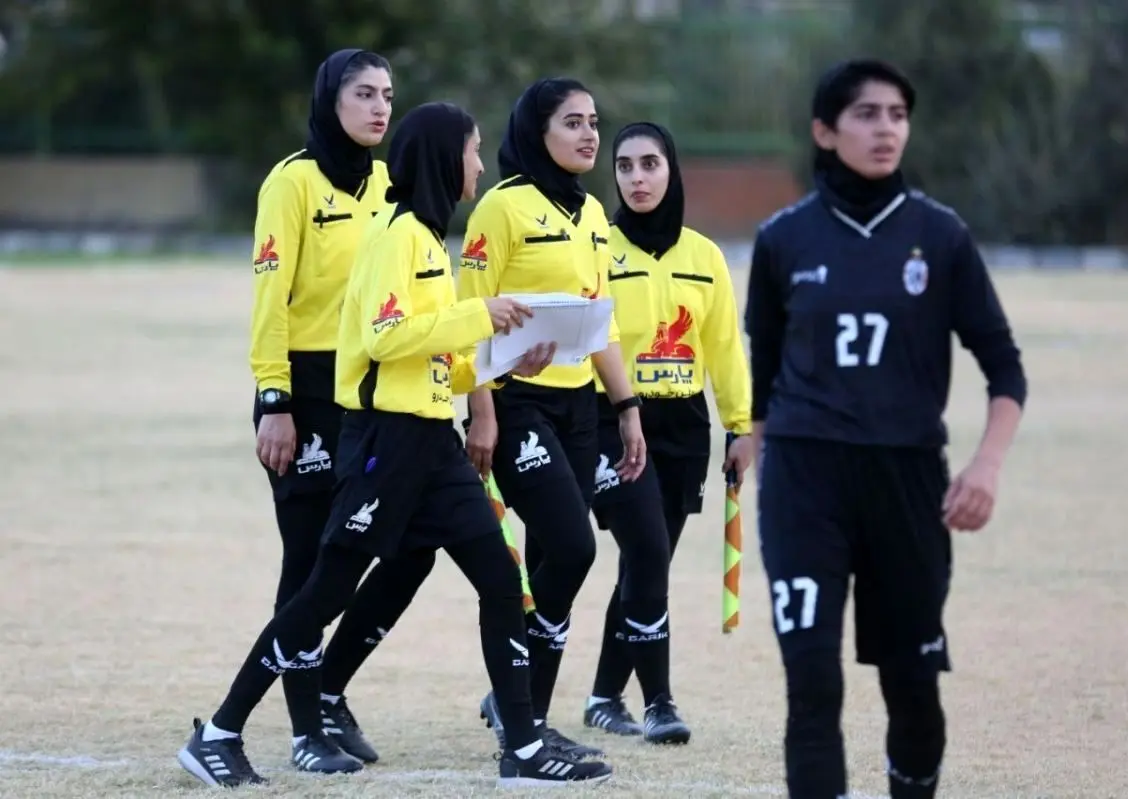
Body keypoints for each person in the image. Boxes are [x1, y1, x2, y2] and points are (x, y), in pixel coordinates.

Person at [178, 101, 614, 789]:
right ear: (443, 159)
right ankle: (220, 733)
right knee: (323, 592)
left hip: (435, 445)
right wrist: (478, 314)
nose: (479, 165)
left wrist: (504, 364)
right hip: (385, 443)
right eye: (471, 151)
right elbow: (385, 340)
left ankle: (524, 750)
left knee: (503, 582)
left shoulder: (429, 238)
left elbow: (433, 358)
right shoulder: (398, 235)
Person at [744, 59, 1028, 799]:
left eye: (898, 114)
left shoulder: (941, 235)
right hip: (806, 482)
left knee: (913, 688)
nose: (887, 129)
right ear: (825, 131)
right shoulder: (783, 239)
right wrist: (762, 463)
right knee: (812, 682)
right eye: (867, 114)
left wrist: (986, 467)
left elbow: (1005, 369)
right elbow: (762, 379)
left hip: (907, 482)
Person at [456, 77, 648, 760]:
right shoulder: (501, 208)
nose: (590, 134)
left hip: (579, 409)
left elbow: (601, 324)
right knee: (573, 549)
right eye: (573, 122)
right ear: (538, 132)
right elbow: (469, 316)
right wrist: (482, 412)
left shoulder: (593, 212)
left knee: (550, 558)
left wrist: (626, 408)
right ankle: (520, 711)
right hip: (515, 403)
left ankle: (524, 716)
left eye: (593, 121)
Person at [246, 48, 421, 765]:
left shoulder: (388, 184)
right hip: (306, 389)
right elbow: (270, 299)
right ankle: (304, 731)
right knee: (311, 559)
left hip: (371, 391)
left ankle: (327, 688)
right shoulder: (291, 182)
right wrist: (274, 399)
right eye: (364, 94)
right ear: (331, 100)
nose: (380, 108)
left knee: (401, 547)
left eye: (388, 95)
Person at [579, 122, 754, 744]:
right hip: (612, 421)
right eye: (625, 166)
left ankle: (604, 697)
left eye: (649, 164)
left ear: (671, 170)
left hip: (684, 428)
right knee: (649, 554)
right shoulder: (596, 249)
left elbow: (725, 347)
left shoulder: (705, 257)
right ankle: (659, 703)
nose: (637, 178)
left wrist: (740, 426)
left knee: (644, 564)